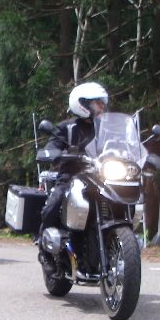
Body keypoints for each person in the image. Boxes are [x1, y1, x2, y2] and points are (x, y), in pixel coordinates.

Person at [38, 82, 109, 231]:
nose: (102, 106)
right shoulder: (67, 127)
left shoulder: (107, 129)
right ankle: (44, 232)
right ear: (83, 104)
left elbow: (123, 145)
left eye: (102, 103)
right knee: (56, 200)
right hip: (71, 176)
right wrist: (52, 152)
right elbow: (53, 144)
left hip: (102, 178)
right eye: (98, 103)